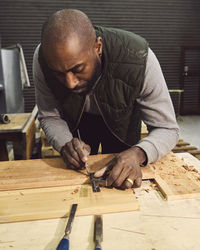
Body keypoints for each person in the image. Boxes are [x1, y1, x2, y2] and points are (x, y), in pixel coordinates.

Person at [33, 9, 179, 189]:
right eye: (59, 74)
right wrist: (64, 143)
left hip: (123, 122)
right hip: (78, 124)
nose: (70, 83)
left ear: (98, 47)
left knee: (121, 178)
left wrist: (138, 153)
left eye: (78, 69)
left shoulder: (140, 59)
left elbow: (167, 128)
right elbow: (49, 115)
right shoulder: (45, 59)